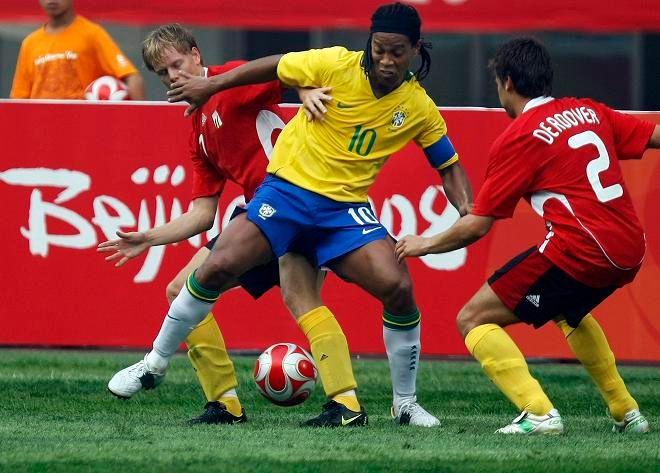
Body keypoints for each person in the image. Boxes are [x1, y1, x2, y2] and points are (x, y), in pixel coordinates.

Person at [153, 1, 472, 427]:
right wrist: (148, 238)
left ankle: (386, 404)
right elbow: (202, 210)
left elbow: (274, 75)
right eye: (379, 49)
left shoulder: (415, 106)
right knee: (260, 288)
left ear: (414, 49)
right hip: (278, 201)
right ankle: (225, 395)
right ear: (369, 44)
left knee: (372, 289)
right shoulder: (205, 125)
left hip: (324, 207)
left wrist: (470, 212)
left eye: (397, 51)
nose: (386, 59)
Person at [99, 24, 365, 426]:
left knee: (292, 297)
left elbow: (290, 71)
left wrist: (307, 90)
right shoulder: (198, 132)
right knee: (188, 290)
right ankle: (229, 404)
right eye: (162, 73)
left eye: (176, 64)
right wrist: (148, 238)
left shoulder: (233, 79)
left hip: (296, 199)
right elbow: (202, 214)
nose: (172, 76)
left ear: (196, 54)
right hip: (263, 214)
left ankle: (343, 406)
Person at [395, 37, 660, 435]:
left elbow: (478, 225)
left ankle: (539, 413)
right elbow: (654, 134)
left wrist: (423, 243)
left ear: (507, 82)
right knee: (568, 311)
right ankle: (628, 412)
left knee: (473, 318)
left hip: (583, 250)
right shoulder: (588, 111)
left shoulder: (521, 136)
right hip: (630, 250)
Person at [10, 0, 144, 100]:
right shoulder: (30, 43)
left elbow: (133, 78)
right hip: (40, 125)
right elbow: (18, 97)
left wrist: (136, 122)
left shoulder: (92, 34)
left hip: (81, 124)